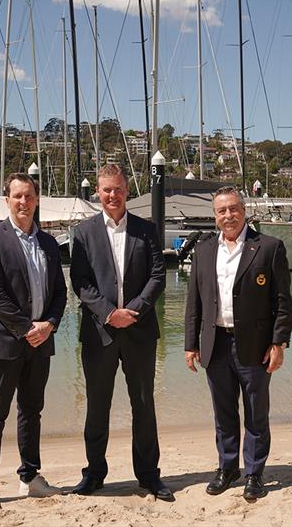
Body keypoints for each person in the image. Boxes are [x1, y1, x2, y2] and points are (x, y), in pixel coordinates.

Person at [69, 164, 172, 501]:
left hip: (140, 331)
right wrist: (110, 313)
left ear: (127, 190)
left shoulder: (146, 229)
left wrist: (136, 311)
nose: (112, 195)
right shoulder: (83, 232)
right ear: (97, 193)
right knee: (98, 405)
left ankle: (149, 476)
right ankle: (94, 474)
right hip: (100, 332)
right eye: (106, 190)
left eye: (117, 189)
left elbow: (158, 275)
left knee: (144, 404)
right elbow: (80, 282)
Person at [184, 186, 292, 502]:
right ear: (215, 215)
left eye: (234, 209)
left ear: (244, 211)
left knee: (256, 413)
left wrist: (279, 343)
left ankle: (254, 473)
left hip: (255, 346)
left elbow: (282, 301)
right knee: (223, 412)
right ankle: (227, 467)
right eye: (222, 211)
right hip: (214, 343)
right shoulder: (204, 251)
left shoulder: (269, 247)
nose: (228, 215)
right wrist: (191, 344)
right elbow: (195, 303)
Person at [0, 172, 67, 512]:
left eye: (29, 196)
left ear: (37, 200)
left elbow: (60, 292)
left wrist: (50, 324)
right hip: (3, 340)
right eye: (17, 197)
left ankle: (30, 477)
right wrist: (28, 328)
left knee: (31, 412)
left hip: (41, 341)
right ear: (7, 200)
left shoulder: (50, 244)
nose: (23, 202)